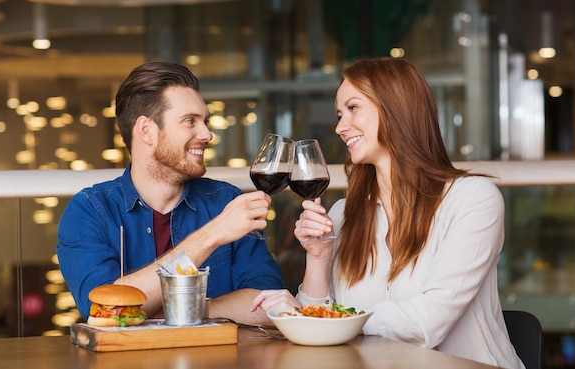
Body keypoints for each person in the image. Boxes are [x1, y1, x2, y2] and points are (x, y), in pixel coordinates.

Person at [252, 58, 525, 368]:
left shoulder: (472, 200)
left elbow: (426, 322)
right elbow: (316, 336)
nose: (340, 128)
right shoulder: (343, 214)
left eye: (353, 108)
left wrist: (323, 320)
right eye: (340, 114)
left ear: (397, 108)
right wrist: (318, 256)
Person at [57, 61, 297, 326]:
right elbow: (103, 310)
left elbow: (270, 306)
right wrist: (212, 234)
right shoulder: (90, 211)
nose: (207, 134)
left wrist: (182, 308)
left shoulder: (227, 201)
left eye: (204, 121)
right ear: (146, 130)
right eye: (190, 121)